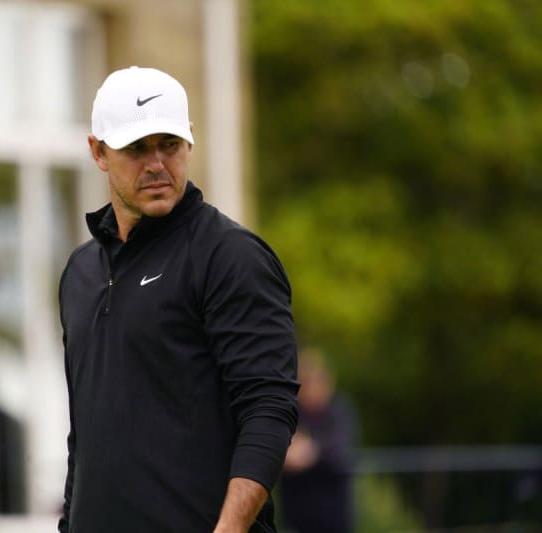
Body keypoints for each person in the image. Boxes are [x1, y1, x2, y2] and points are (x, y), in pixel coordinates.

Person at [57, 66, 299, 533]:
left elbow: (268, 410)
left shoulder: (230, 257)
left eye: (168, 144)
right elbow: (84, 438)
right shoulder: (80, 274)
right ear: (98, 152)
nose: (156, 164)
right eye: (135, 148)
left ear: (189, 140)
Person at [279, 347, 357, 533]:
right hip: (296, 517)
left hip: (333, 517)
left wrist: (311, 450)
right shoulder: (292, 413)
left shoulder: (339, 411)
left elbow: (339, 452)